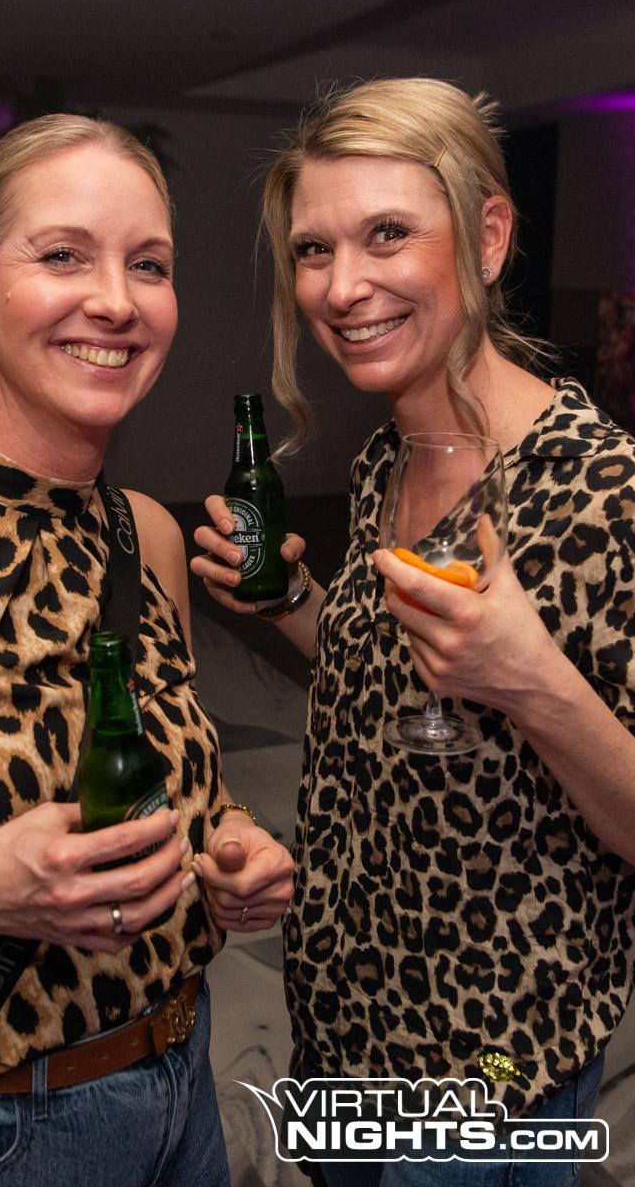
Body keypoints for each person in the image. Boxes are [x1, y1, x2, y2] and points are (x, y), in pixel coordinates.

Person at [0, 113, 293, 1187]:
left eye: (149, 265)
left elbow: (168, 775)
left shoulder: (147, 534)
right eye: (63, 256)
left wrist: (230, 840)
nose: (117, 302)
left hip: (183, 1083)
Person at [191, 77, 635, 1187]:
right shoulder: (394, 456)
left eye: (388, 234)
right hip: (345, 1024)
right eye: (313, 249)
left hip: (487, 1071)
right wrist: (295, 606)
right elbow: (402, 675)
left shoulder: (603, 494)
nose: (342, 287)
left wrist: (529, 680)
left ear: (487, 238)